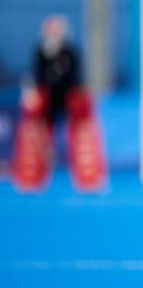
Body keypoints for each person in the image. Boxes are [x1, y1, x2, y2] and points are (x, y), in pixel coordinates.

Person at [12, 14, 106, 192]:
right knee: (38, 135)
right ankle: (32, 177)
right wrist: (31, 93)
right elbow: (36, 77)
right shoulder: (39, 52)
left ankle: (89, 178)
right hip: (47, 100)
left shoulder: (72, 51)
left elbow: (77, 78)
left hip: (69, 98)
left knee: (81, 136)